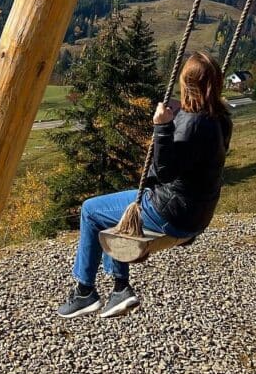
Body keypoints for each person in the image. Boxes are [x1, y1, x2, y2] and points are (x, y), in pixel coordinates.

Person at [57, 51, 232, 319]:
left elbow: (163, 172)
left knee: (91, 210)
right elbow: (194, 154)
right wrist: (178, 113)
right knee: (114, 212)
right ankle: (118, 289)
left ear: (188, 84)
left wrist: (162, 127)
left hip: (170, 213)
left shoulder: (190, 123)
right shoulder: (219, 119)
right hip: (197, 216)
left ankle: (85, 292)